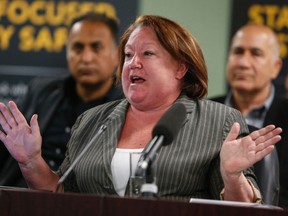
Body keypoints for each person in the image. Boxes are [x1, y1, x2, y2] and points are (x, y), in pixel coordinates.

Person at [0, 15, 282, 203]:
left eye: (147, 54)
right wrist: (30, 161)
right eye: (127, 55)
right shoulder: (92, 120)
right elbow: (61, 194)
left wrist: (232, 175)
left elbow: (242, 208)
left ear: (180, 68)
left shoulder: (219, 120)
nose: (133, 63)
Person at [0, 12, 123, 187]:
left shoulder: (126, 107)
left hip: (81, 203)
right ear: (68, 52)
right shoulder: (42, 91)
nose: (86, 58)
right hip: (18, 195)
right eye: (78, 48)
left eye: (96, 47)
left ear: (117, 54)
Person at [210, 24, 288, 207]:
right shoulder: (206, 111)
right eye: (238, 52)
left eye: (256, 53)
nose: (243, 63)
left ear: (276, 67)